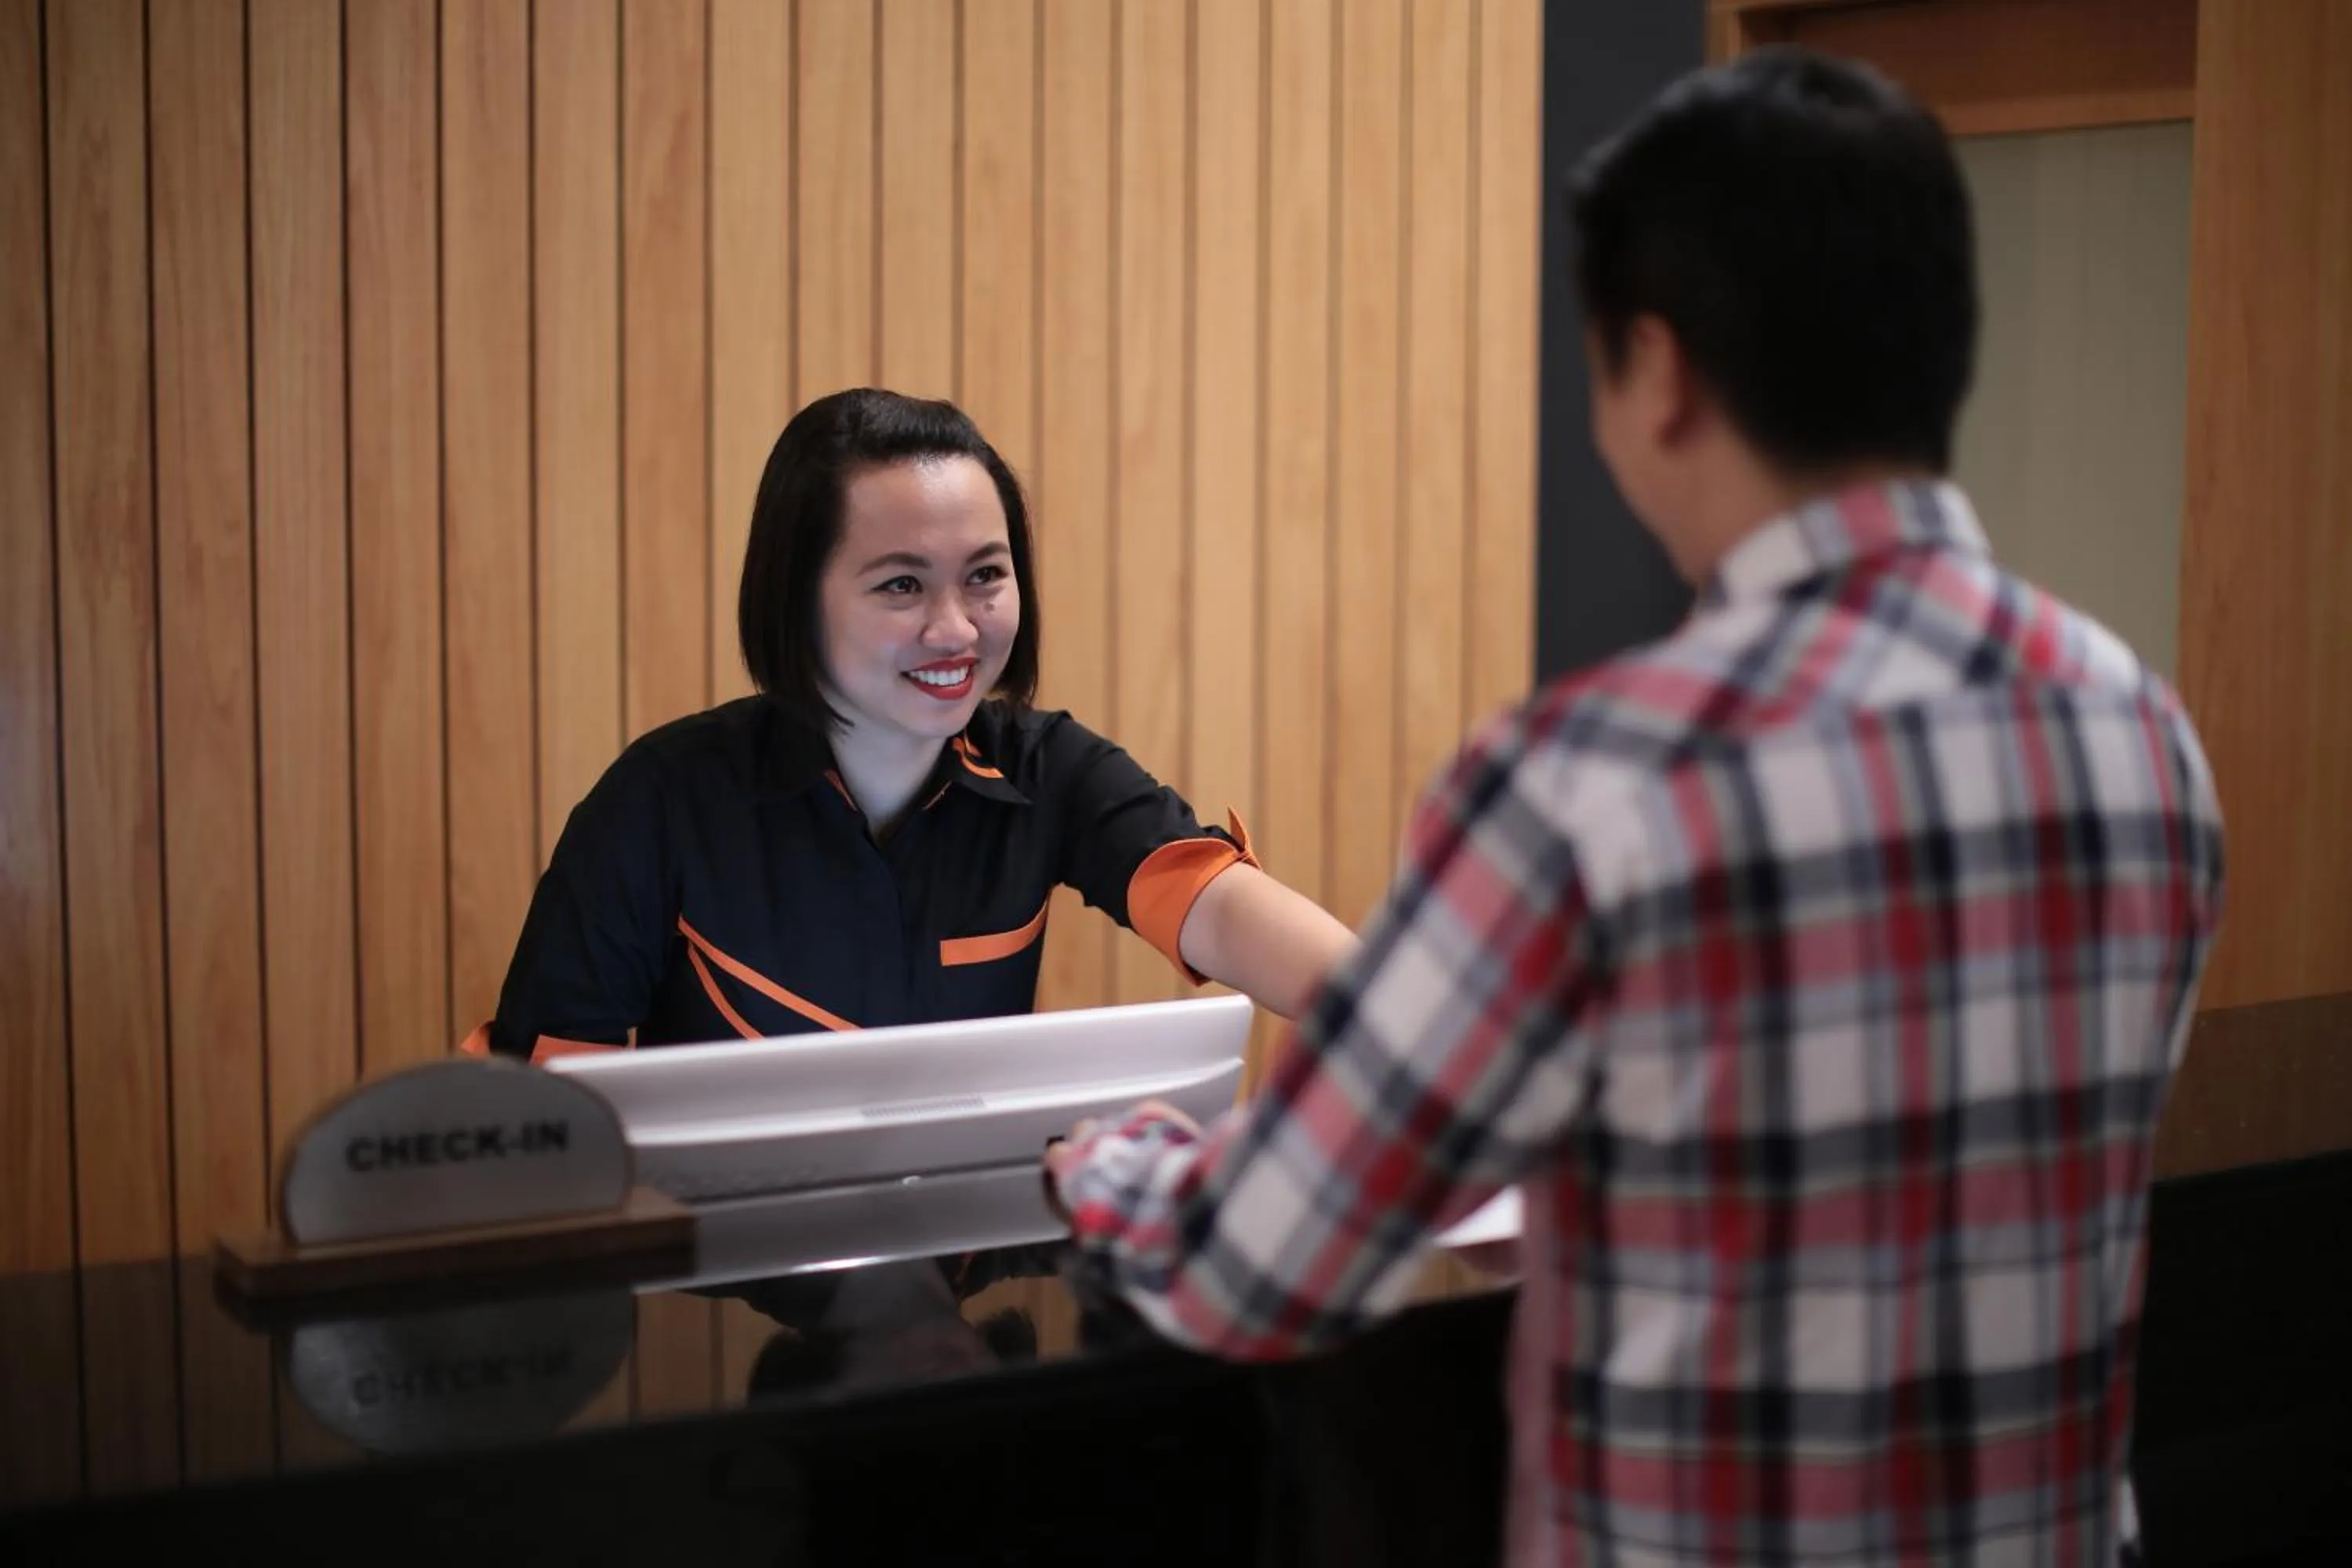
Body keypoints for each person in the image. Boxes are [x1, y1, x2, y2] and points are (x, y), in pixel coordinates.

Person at [1045, 46, 2225, 1568]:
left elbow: (1267, 1261)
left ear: (1659, 373)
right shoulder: (2139, 725)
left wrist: (1116, 1164)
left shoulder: (1593, 781)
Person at [464, 388, 1356, 1062]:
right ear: (796, 598)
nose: (956, 629)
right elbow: (545, 1115)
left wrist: (1427, 1030)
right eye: (901, 583)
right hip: (724, 1297)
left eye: (985, 576)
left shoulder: (1050, 769)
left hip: (974, 1293)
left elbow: (1223, 907)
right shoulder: (658, 802)